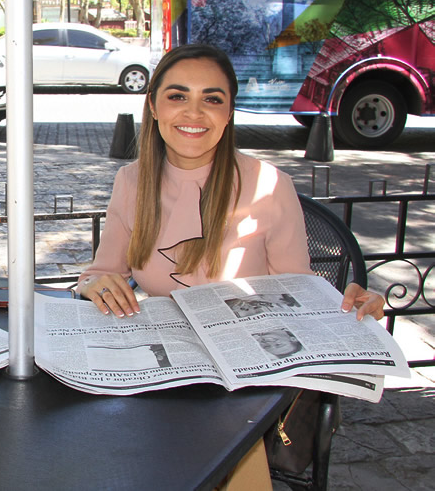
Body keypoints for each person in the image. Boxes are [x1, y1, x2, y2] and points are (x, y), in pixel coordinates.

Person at [77, 44, 386, 489]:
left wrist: (350, 304)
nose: (195, 112)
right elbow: (100, 271)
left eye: (213, 98)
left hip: (244, 381)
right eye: (178, 95)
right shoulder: (131, 182)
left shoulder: (268, 185)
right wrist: (94, 284)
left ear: (229, 112)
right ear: (154, 105)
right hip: (161, 371)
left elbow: (297, 293)